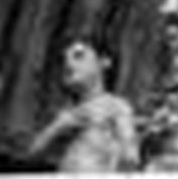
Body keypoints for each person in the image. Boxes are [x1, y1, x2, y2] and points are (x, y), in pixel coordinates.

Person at [29, 40, 140, 172]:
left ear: (104, 62)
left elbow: (130, 157)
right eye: (63, 60)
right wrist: (59, 126)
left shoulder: (116, 106)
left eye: (79, 56)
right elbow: (33, 152)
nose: (68, 63)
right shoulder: (67, 112)